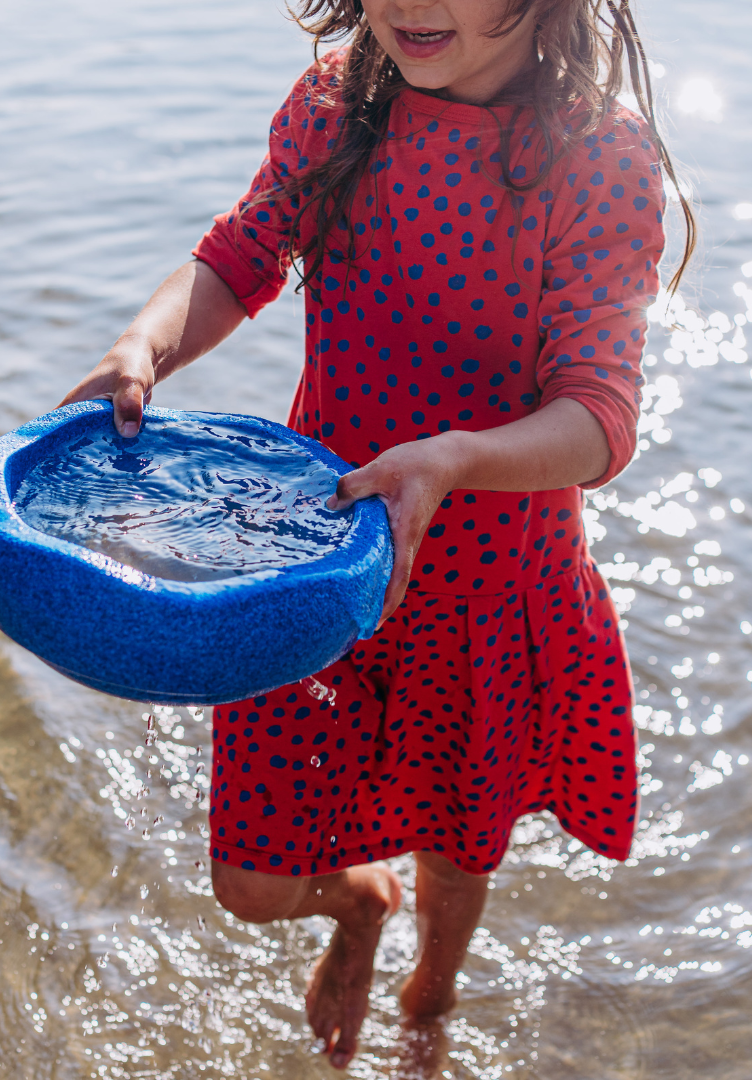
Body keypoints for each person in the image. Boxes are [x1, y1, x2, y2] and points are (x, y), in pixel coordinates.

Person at [60, 0, 694, 1069]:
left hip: (490, 594)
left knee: (460, 848)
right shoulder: (336, 107)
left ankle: (429, 1012)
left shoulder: (600, 156)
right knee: (250, 881)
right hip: (316, 573)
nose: (410, 3)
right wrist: (146, 343)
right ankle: (357, 904)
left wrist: (452, 461)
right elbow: (238, 257)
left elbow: (599, 416)